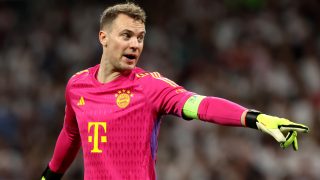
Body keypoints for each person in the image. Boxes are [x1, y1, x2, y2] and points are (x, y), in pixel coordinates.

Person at [41, 2, 309, 180]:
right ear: (103, 38)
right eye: (126, 35)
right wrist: (49, 176)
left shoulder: (150, 88)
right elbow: (71, 134)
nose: (135, 44)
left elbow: (200, 105)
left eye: (140, 37)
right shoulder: (77, 86)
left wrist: (257, 119)